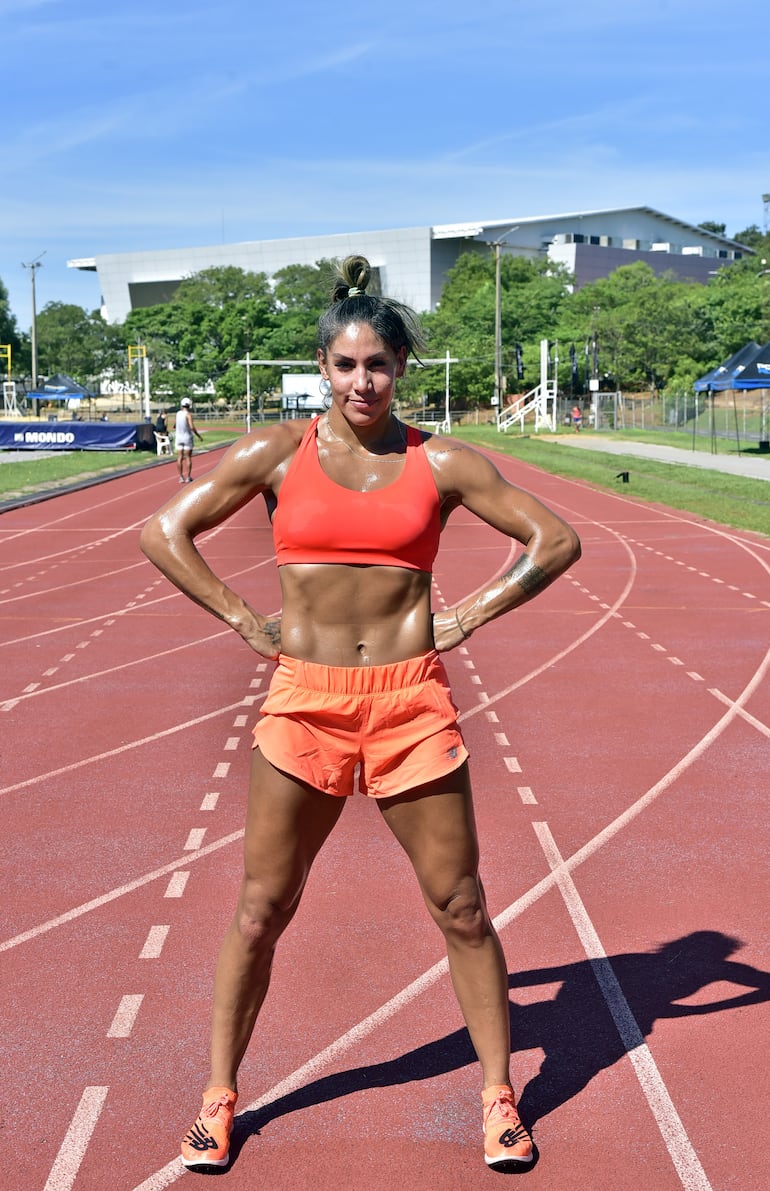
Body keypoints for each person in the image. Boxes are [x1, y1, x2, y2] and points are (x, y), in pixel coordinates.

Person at [140, 254, 581, 1174]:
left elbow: (557, 538)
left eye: (378, 363)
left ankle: (499, 1097)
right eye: (345, 365)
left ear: (402, 367)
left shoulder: (442, 460)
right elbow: (163, 531)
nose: (362, 381)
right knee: (262, 907)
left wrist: (468, 614)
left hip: (411, 701)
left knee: (462, 907)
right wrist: (239, 616)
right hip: (304, 702)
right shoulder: (274, 455)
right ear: (323, 367)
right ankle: (219, 1097)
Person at [174, 397, 203, 482]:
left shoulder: (178, 413)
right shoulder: (188, 415)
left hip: (178, 438)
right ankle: (188, 476)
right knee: (188, 458)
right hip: (187, 437)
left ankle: (180, 477)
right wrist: (198, 435)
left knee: (179, 457)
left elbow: (175, 425)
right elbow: (191, 427)